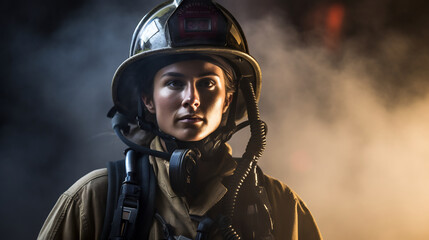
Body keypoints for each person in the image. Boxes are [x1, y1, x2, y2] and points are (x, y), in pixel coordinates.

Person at [38, 0, 323, 239]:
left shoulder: (278, 205)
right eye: (174, 83)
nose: (192, 99)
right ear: (148, 100)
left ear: (228, 99)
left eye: (208, 83)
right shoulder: (92, 201)